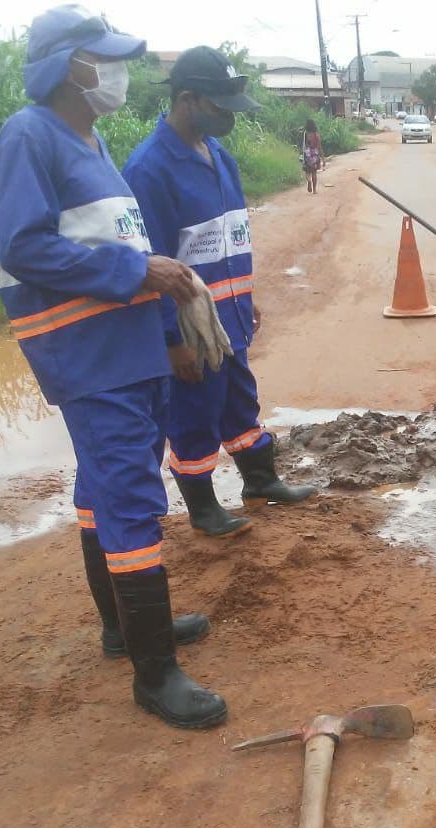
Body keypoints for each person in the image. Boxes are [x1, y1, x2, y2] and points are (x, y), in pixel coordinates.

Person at [0, 5, 228, 727]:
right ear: (70, 67)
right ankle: (156, 675)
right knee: (129, 503)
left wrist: (158, 290)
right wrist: (137, 269)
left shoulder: (90, 144)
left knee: (104, 492)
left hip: (128, 352)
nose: (117, 73)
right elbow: (23, 248)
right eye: (105, 59)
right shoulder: (30, 137)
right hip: (89, 357)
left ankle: (125, 628)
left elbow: (118, 254)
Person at [122, 48, 317, 539]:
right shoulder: (149, 170)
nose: (229, 114)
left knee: (238, 401)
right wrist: (172, 341)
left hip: (228, 316)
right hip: (191, 326)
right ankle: (204, 507)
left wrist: (244, 298)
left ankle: (260, 480)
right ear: (188, 100)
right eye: (221, 105)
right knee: (194, 412)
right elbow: (153, 264)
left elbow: (229, 239)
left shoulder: (219, 156)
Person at [302, 118, 323, 194]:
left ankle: (309, 181)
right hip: (315, 154)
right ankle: (314, 190)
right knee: (314, 172)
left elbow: (303, 145)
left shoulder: (305, 134)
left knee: (307, 172)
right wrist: (323, 159)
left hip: (307, 154)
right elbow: (320, 147)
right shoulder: (316, 135)